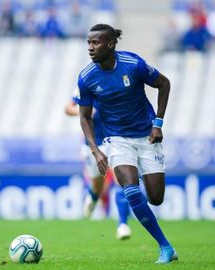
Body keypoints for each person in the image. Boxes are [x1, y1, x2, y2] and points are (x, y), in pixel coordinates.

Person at [77, 24, 178, 264]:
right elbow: (84, 116)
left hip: (147, 136)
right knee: (131, 190)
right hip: (116, 140)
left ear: (110, 44)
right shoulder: (86, 77)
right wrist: (95, 149)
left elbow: (164, 84)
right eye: (89, 43)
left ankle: (140, 187)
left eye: (96, 43)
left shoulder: (133, 64)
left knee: (155, 198)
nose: (91, 47)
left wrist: (158, 123)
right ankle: (165, 247)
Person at [65, 96, 131, 240]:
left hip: (115, 141)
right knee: (98, 186)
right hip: (93, 145)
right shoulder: (86, 82)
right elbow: (68, 109)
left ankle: (123, 225)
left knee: (122, 180)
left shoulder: (117, 80)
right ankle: (93, 196)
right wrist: (83, 111)